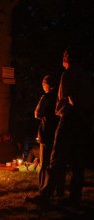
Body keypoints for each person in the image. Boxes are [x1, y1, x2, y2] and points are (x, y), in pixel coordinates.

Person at [28, 46, 94, 207]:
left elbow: (70, 99)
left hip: (70, 118)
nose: (63, 58)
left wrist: (72, 110)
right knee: (78, 162)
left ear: (68, 58)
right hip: (83, 121)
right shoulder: (86, 75)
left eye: (64, 55)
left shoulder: (69, 74)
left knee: (56, 159)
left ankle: (45, 194)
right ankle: (74, 197)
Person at [32, 74, 59, 197]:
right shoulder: (61, 96)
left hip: (47, 131)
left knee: (44, 163)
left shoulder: (47, 97)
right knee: (56, 163)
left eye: (43, 84)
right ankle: (58, 190)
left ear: (47, 84)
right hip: (58, 132)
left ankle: (42, 189)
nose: (43, 87)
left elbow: (37, 113)